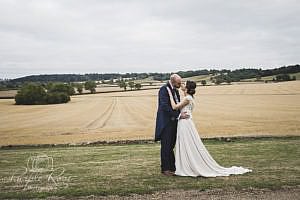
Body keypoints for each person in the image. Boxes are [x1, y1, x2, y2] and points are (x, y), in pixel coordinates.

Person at [166, 80, 252, 177]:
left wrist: (170, 94)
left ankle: (187, 166)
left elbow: (174, 107)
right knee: (186, 143)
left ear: (187, 88)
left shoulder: (187, 98)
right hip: (185, 122)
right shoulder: (188, 97)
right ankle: (186, 165)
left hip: (185, 123)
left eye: (184, 84)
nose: (182, 84)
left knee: (187, 143)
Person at [154, 74, 189, 176]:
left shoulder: (176, 90)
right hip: (166, 123)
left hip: (174, 123)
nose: (180, 84)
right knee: (166, 146)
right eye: (179, 83)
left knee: (171, 146)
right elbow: (164, 106)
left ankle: (172, 167)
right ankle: (165, 169)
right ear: (173, 82)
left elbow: (177, 105)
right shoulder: (163, 90)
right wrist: (178, 115)